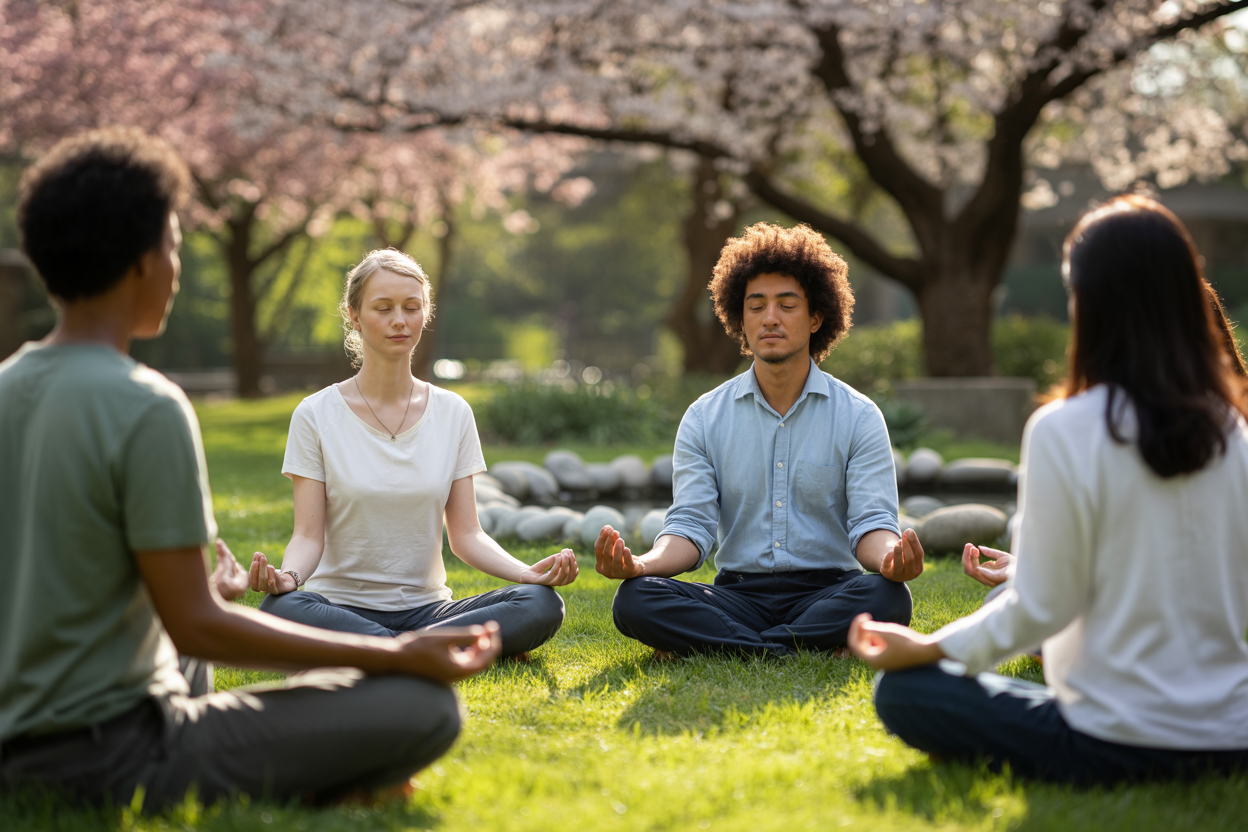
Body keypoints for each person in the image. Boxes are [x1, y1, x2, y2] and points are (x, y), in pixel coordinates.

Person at [0, 128, 502, 809]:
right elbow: (195, 626)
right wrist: (394, 655)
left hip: (18, 731)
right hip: (112, 749)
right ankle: (328, 778)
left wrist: (211, 596)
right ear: (144, 262)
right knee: (426, 707)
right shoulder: (146, 406)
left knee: (207, 656)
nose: (176, 268)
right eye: (175, 247)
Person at [850, 195, 1248, 785]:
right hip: (1232, 733)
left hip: (1113, 736)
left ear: (1087, 302)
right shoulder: (1232, 429)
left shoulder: (1065, 428)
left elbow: (1040, 607)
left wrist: (928, 647)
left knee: (905, 693)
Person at [595, 222, 924, 658]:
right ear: (740, 319)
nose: (770, 318)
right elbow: (690, 527)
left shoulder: (859, 416)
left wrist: (890, 559)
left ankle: (732, 646)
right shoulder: (703, 417)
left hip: (828, 592)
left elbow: (871, 525)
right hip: (737, 596)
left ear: (815, 318)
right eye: (757, 306)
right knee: (636, 598)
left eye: (787, 305)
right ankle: (805, 645)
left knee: (889, 597)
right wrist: (640, 565)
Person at [242, 248, 576, 660]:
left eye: (411, 307)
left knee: (541, 604)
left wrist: (526, 574)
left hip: (430, 612)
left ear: (426, 313)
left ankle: (392, 651)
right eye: (383, 308)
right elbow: (308, 536)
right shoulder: (315, 414)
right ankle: (421, 653)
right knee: (283, 608)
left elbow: (467, 535)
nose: (399, 320)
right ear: (354, 315)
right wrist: (289, 578)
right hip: (339, 609)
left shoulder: (453, 412)